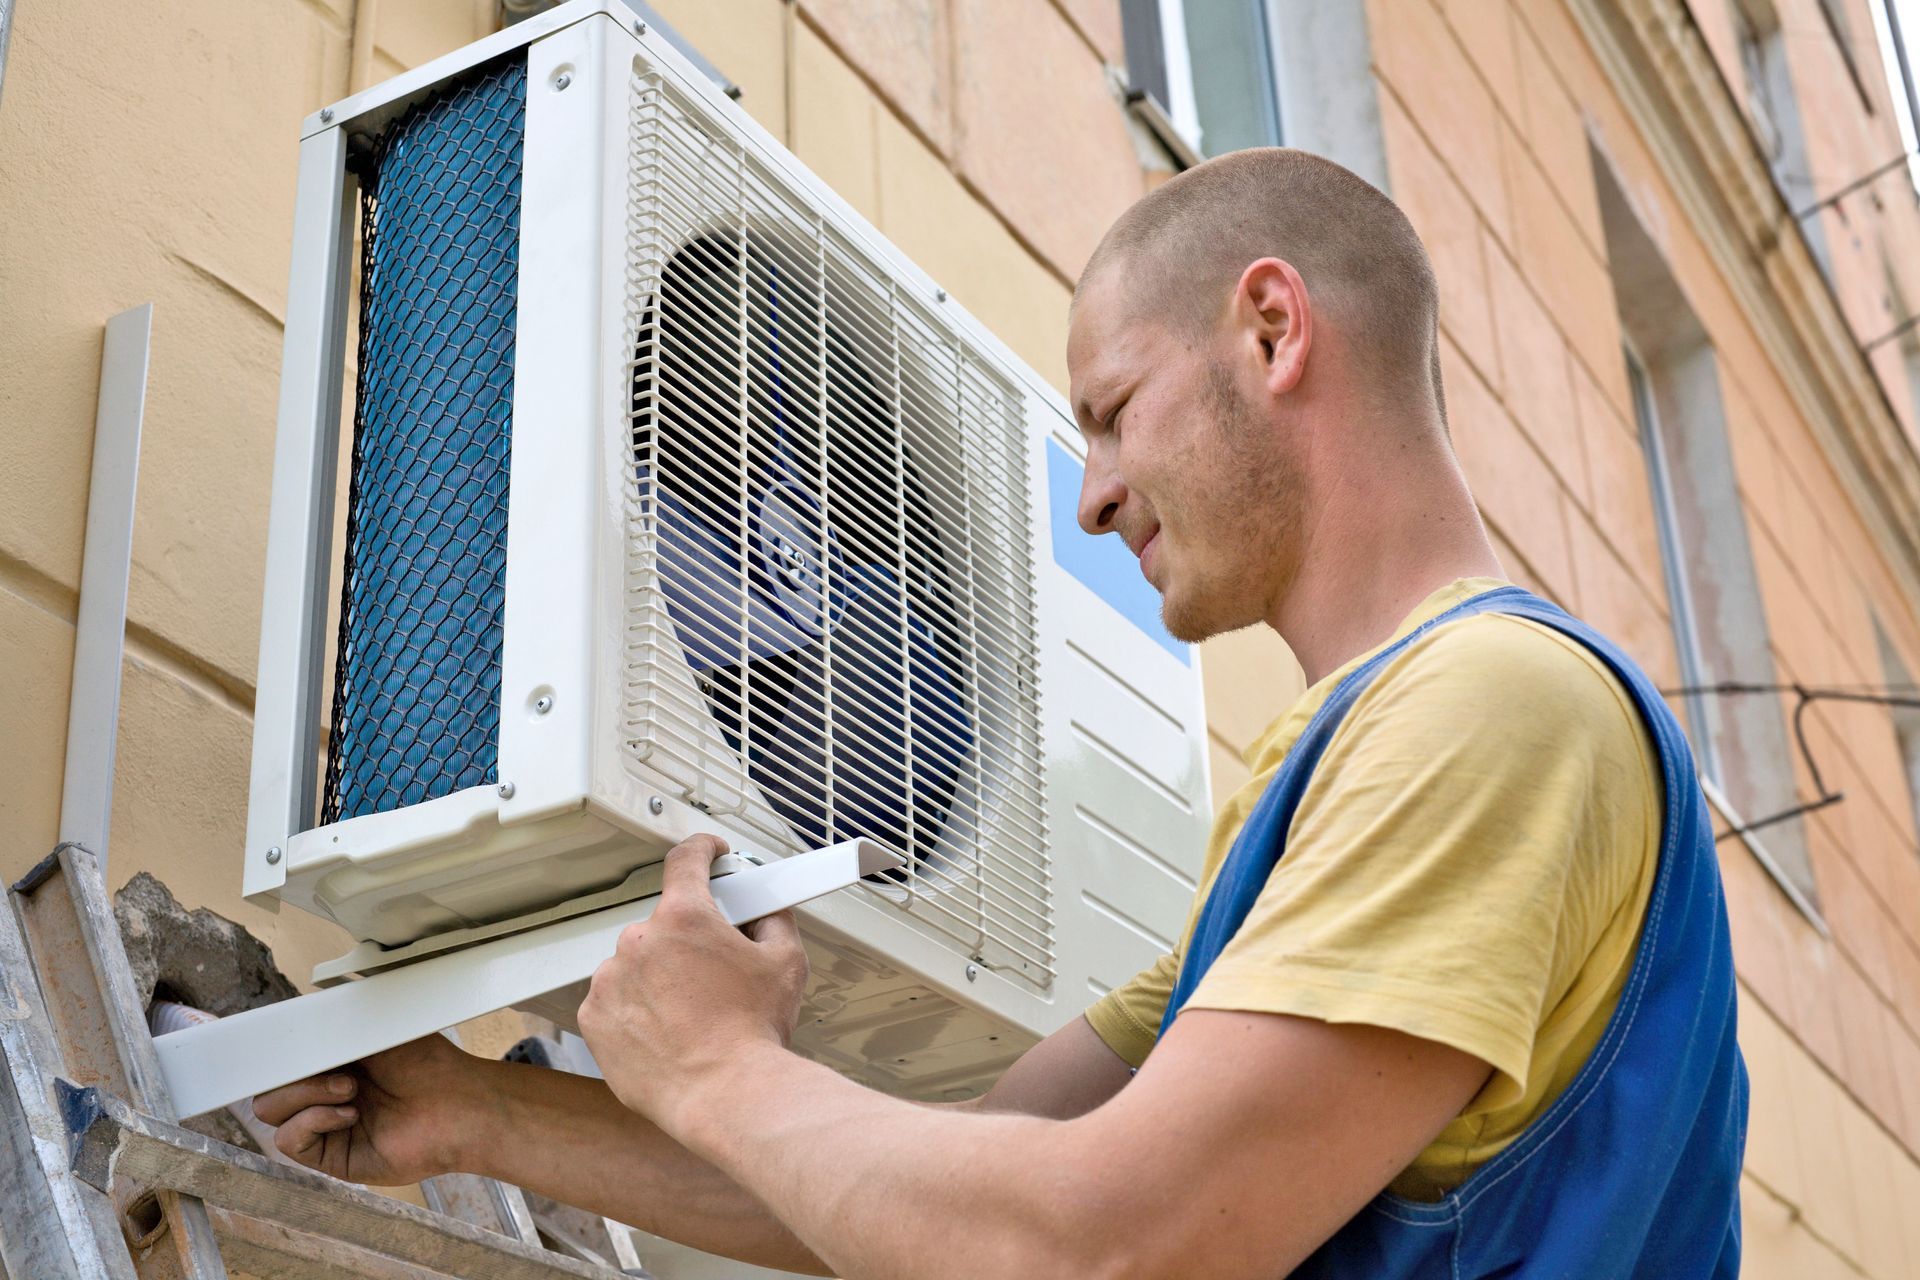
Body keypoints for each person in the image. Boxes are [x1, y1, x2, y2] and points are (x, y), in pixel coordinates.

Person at [256, 148, 1746, 1278]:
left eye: (1111, 411)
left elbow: (1112, 1243)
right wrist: (474, 1115)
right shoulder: (1329, 787)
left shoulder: (1492, 710)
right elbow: (982, 1186)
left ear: (1272, 331)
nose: (1090, 497)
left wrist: (721, 1068)